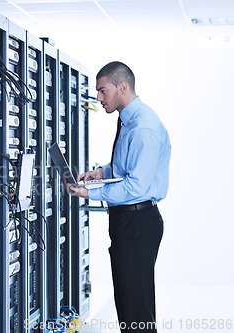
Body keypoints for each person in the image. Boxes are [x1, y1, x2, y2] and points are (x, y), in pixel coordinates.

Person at [67, 61, 171, 333]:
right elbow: (127, 167)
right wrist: (100, 172)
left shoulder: (143, 128)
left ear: (122, 87)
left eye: (103, 91)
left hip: (138, 222)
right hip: (129, 221)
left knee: (137, 308)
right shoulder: (129, 120)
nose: (98, 98)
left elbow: (136, 186)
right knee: (127, 303)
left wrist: (90, 192)